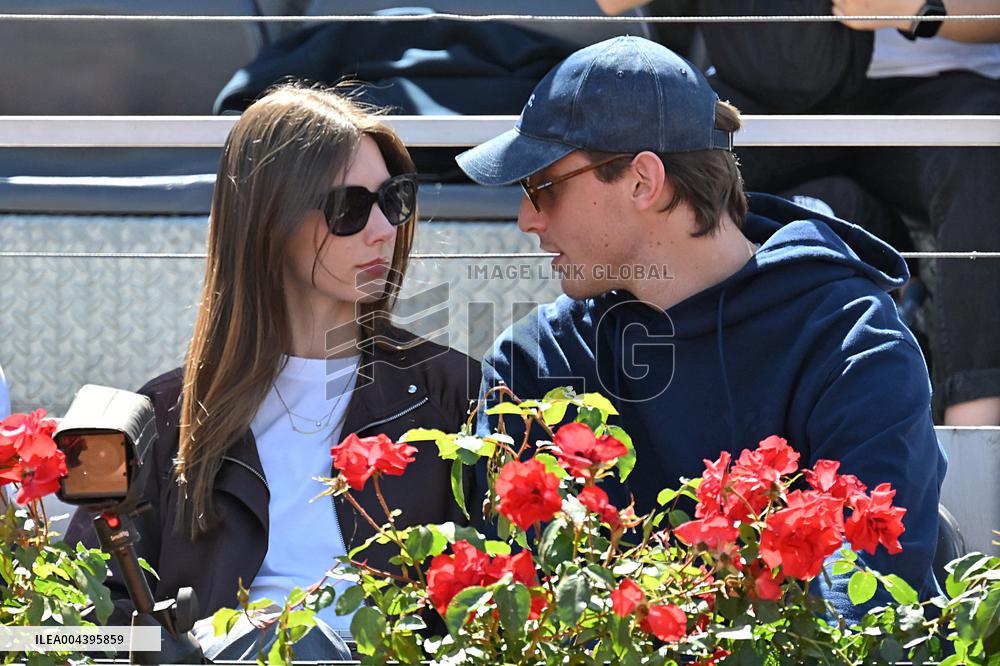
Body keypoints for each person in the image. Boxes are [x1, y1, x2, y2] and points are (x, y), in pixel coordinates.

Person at [456, 36, 946, 624]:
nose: (526, 219)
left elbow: (867, 593)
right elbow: (517, 595)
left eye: (544, 187)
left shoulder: (849, 340)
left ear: (643, 180)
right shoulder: (534, 360)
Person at [65, 85, 480, 660]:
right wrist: (181, 650)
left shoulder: (453, 393)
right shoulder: (164, 416)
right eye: (349, 208)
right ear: (269, 220)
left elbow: (511, 597)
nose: (383, 228)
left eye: (395, 199)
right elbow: (75, 625)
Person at [600, 0, 1000, 425]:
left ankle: (976, 434)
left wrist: (914, 9)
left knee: (982, 147)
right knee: (664, 172)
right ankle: (649, 429)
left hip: (943, 90)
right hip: (768, 97)